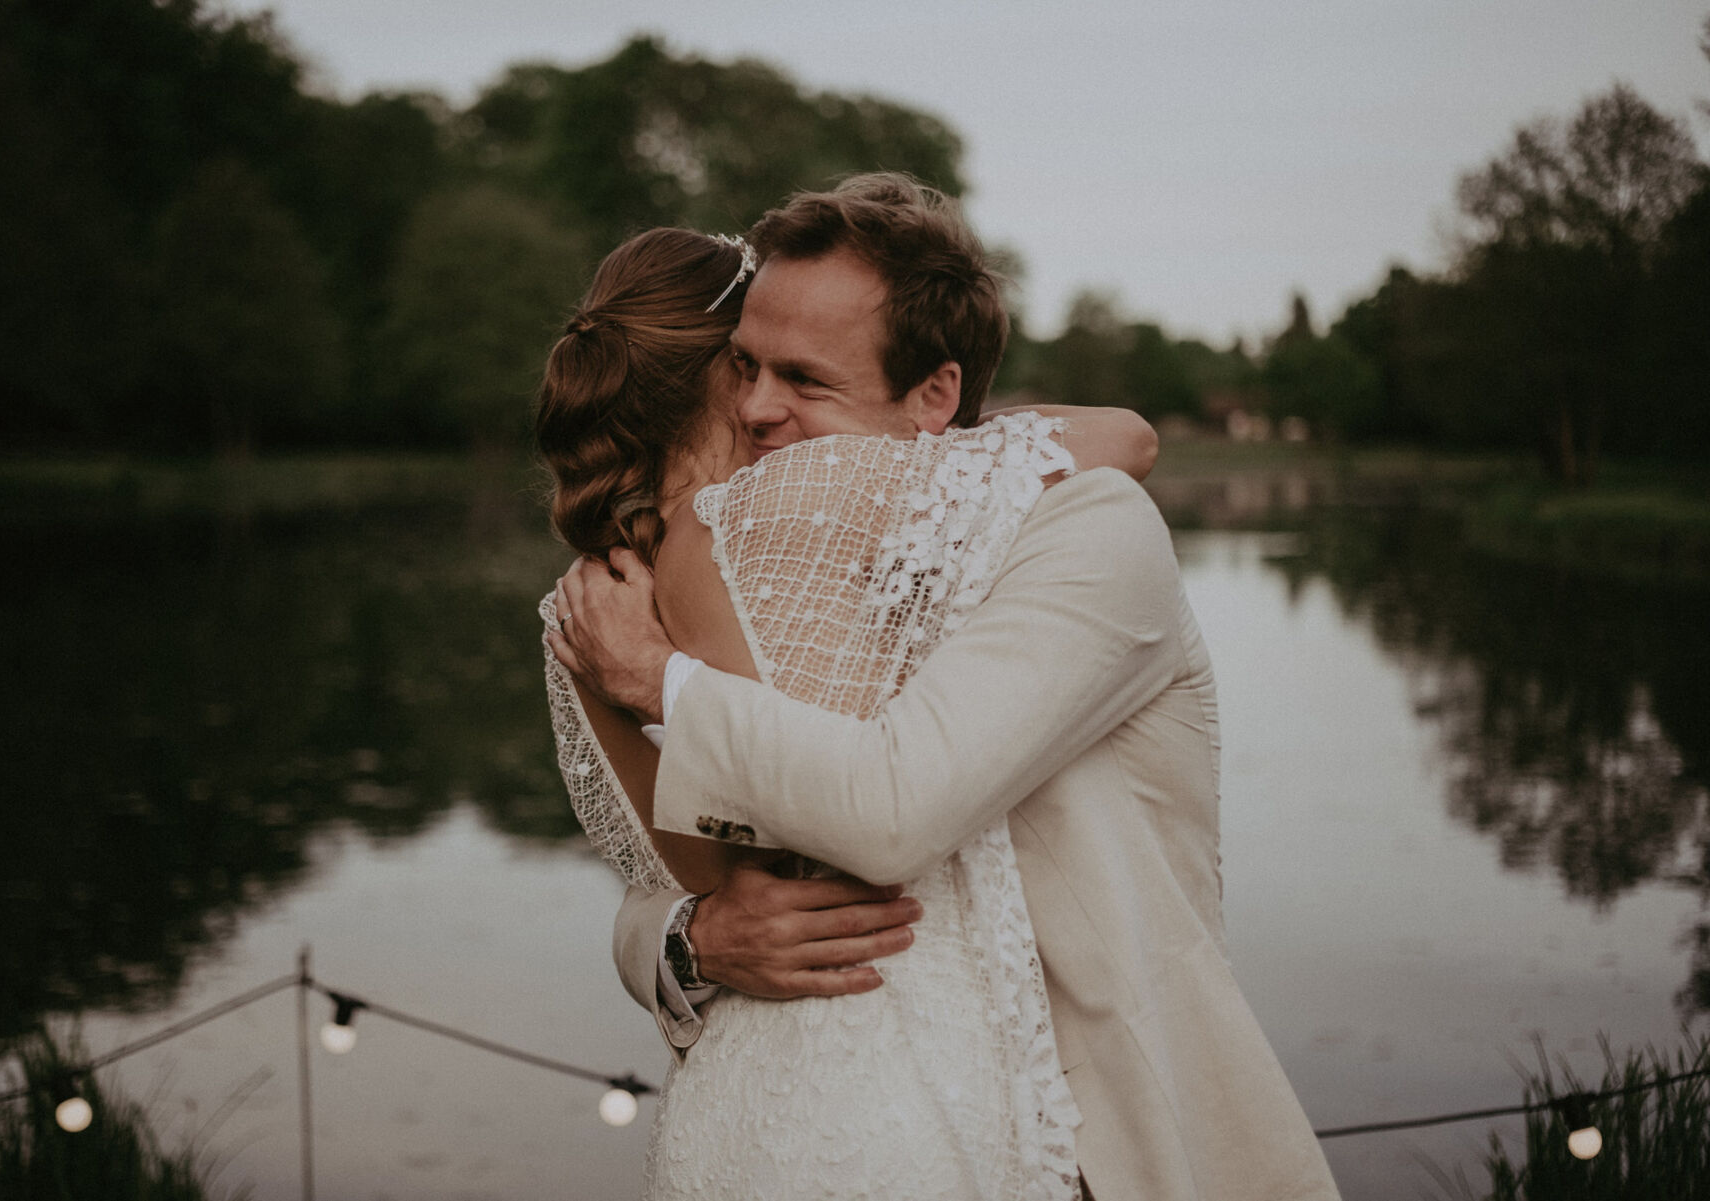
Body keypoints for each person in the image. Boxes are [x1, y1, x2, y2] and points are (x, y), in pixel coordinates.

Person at [551, 175, 1341, 1199]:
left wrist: (662, 681)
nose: (755, 409)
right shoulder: (702, 566)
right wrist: (694, 941)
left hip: (1104, 1132)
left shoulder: (1084, 529)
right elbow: (665, 883)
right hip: (802, 1111)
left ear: (935, 398)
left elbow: (893, 808)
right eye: (741, 367)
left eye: (801, 378)